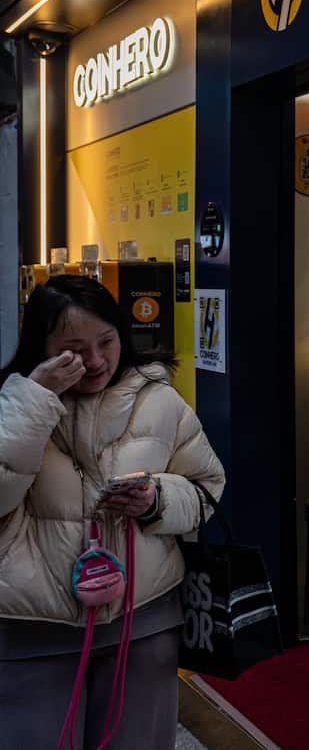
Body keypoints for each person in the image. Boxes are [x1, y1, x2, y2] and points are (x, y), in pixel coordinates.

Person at [0, 275, 225, 748]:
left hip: (143, 622)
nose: (97, 361)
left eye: (107, 341)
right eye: (75, 349)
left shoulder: (159, 399)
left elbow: (206, 489)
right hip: (33, 630)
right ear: (42, 347)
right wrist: (34, 401)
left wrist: (158, 499)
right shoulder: (13, 406)